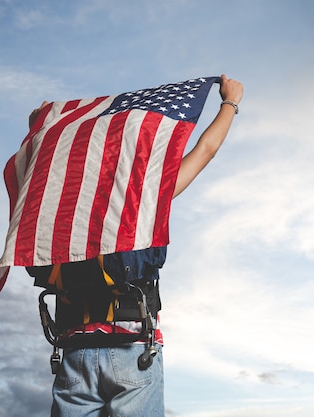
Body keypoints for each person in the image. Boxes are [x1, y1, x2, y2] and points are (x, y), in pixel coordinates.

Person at [27, 74, 243, 417]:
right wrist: (230, 104)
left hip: (74, 353)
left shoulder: (58, 211)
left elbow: (37, 172)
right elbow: (206, 150)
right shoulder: (140, 204)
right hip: (132, 351)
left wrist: (40, 131)